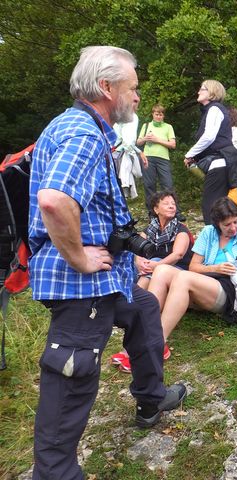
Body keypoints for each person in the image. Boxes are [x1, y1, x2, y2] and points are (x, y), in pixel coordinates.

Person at [28, 46, 186, 480]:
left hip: (107, 278)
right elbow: (54, 200)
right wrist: (79, 257)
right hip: (81, 284)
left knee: (144, 308)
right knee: (73, 373)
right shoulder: (82, 133)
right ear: (106, 87)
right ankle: (55, 473)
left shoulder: (84, 128)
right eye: (132, 88)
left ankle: (151, 398)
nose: (137, 97)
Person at [147, 197, 237, 345]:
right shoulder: (208, 232)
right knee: (161, 270)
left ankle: (157, 342)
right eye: (227, 225)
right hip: (210, 281)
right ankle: (145, 328)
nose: (233, 228)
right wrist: (215, 268)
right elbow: (194, 266)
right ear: (217, 224)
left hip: (235, 289)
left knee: (183, 277)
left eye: (236, 222)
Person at [109, 190, 194, 373]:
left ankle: (138, 324)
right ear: (156, 209)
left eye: (173, 203)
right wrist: (140, 262)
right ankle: (136, 338)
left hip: (179, 274)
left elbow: (178, 255)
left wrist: (154, 265)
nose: (171, 206)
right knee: (142, 271)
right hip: (155, 274)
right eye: (166, 203)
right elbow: (135, 250)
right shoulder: (151, 229)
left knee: (153, 268)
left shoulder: (181, 230)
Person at [184, 79, 234, 224]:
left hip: (218, 165)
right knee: (217, 208)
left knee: (211, 208)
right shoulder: (212, 110)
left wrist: (189, 154)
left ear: (211, 93)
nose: (198, 91)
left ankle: (215, 236)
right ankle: (222, 236)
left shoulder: (214, 109)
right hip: (219, 166)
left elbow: (209, 136)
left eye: (202, 89)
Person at [137, 104, 178, 213]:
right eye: (157, 114)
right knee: (149, 185)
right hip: (148, 158)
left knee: (168, 185)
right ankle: (152, 212)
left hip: (163, 158)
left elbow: (173, 144)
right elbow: (138, 142)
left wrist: (157, 140)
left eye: (161, 115)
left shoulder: (168, 127)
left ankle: (174, 211)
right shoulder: (146, 125)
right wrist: (145, 138)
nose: (159, 117)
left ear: (163, 116)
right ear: (153, 114)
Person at [113, 101, 146, 199]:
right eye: (134, 101)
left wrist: (138, 151)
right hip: (119, 154)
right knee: (118, 190)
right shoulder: (131, 116)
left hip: (112, 152)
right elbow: (128, 142)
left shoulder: (115, 114)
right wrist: (134, 153)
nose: (135, 104)